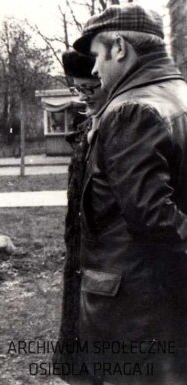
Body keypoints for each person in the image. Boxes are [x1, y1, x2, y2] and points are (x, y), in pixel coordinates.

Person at [71, 4, 187, 384]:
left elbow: (154, 219)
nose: (92, 70)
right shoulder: (179, 94)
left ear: (119, 47)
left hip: (134, 314)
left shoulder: (130, 109)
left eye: (96, 56)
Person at [54, 49, 107, 384]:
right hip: (80, 256)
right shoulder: (88, 126)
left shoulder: (120, 123)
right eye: (78, 89)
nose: (85, 96)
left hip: (106, 260)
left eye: (91, 88)